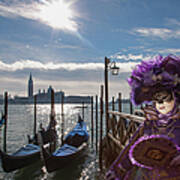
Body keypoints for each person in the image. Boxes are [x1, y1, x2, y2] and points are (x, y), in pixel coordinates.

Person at [106, 55, 180, 179]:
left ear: (176, 97)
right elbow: (130, 148)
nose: (160, 103)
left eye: (165, 97)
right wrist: (117, 171)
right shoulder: (149, 124)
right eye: (156, 99)